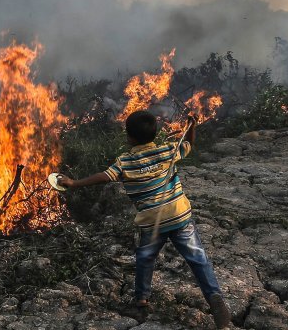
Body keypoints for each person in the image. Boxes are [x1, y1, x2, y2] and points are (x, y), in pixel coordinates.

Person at [57, 110, 231, 328]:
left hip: (152, 222)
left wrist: (74, 183)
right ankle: (214, 297)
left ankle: (141, 298)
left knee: (145, 258)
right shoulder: (168, 150)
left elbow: (104, 177)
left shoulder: (125, 162)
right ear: (155, 134)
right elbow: (188, 145)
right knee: (198, 258)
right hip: (179, 216)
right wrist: (192, 126)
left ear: (128, 137)